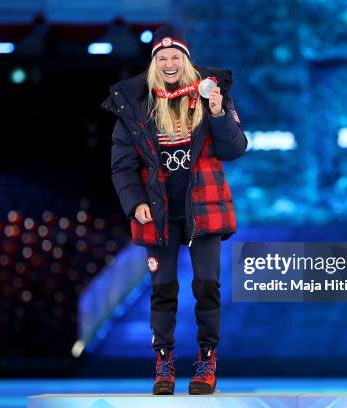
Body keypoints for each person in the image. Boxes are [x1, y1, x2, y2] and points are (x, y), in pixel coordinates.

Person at [101, 23, 247, 395]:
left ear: (186, 60)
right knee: (163, 291)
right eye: (162, 57)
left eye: (175, 57)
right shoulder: (135, 103)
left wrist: (217, 113)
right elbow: (122, 165)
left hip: (205, 208)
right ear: (154, 63)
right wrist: (134, 203)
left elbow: (235, 149)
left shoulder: (213, 95)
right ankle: (164, 364)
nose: (169, 63)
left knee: (207, 287)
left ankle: (207, 361)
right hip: (159, 211)